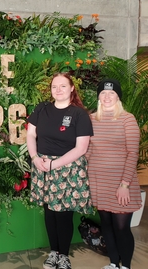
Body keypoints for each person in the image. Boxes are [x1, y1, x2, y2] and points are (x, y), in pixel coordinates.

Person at [26, 72, 94, 269]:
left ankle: (64, 255)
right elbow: (31, 134)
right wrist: (35, 157)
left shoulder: (79, 114)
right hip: (42, 164)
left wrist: (53, 165)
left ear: (72, 88)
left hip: (67, 168)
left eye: (63, 86)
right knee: (49, 212)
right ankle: (53, 252)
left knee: (63, 214)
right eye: (55, 86)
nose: (58, 90)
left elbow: (81, 148)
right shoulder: (42, 108)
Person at [86, 79, 141, 269]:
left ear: (118, 97)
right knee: (106, 225)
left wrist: (125, 184)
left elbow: (133, 152)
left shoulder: (127, 119)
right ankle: (113, 264)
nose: (107, 97)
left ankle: (125, 265)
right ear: (98, 96)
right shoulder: (92, 119)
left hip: (121, 184)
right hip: (98, 181)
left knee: (121, 227)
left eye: (111, 93)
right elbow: (88, 150)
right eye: (103, 93)